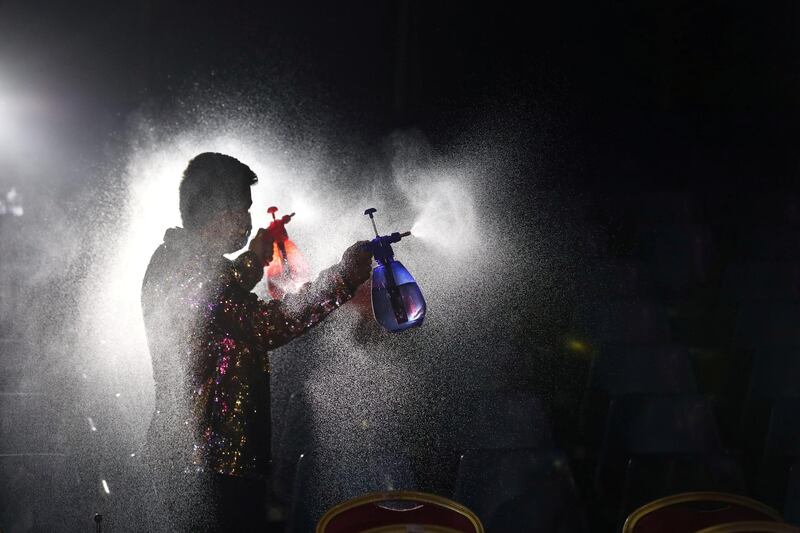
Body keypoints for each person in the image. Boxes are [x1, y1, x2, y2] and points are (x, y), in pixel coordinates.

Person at [141, 152, 372, 532]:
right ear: (221, 209)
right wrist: (343, 278)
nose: (248, 221)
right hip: (208, 462)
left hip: (205, 458)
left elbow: (222, 302)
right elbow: (263, 324)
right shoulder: (186, 265)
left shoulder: (186, 262)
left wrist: (253, 260)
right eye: (243, 210)